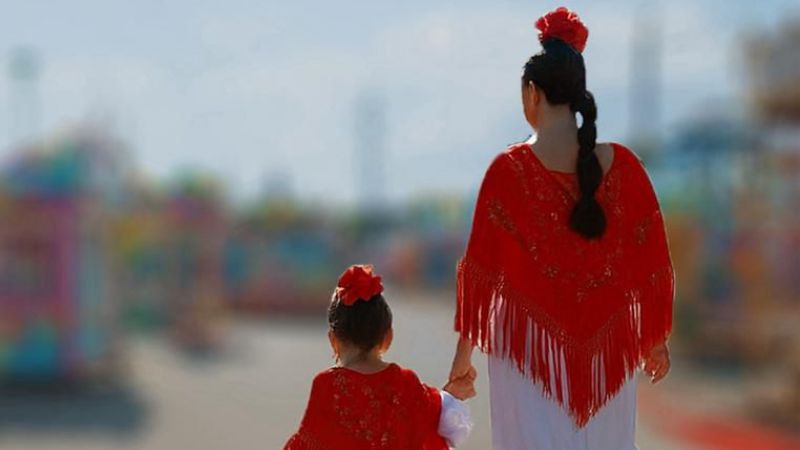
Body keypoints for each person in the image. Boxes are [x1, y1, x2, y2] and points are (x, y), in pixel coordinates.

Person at [448, 7, 675, 450]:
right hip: (609, 359)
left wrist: (462, 358)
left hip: (526, 358)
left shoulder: (507, 171)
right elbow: (650, 258)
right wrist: (656, 339)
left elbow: (483, 271)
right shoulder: (626, 167)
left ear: (532, 94)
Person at [285, 264, 474, 450]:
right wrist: (452, 393)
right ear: (388, 337)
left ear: (333, 340)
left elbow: (308, 443)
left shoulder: (327, 385)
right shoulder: (406, 383)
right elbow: (437, 419)